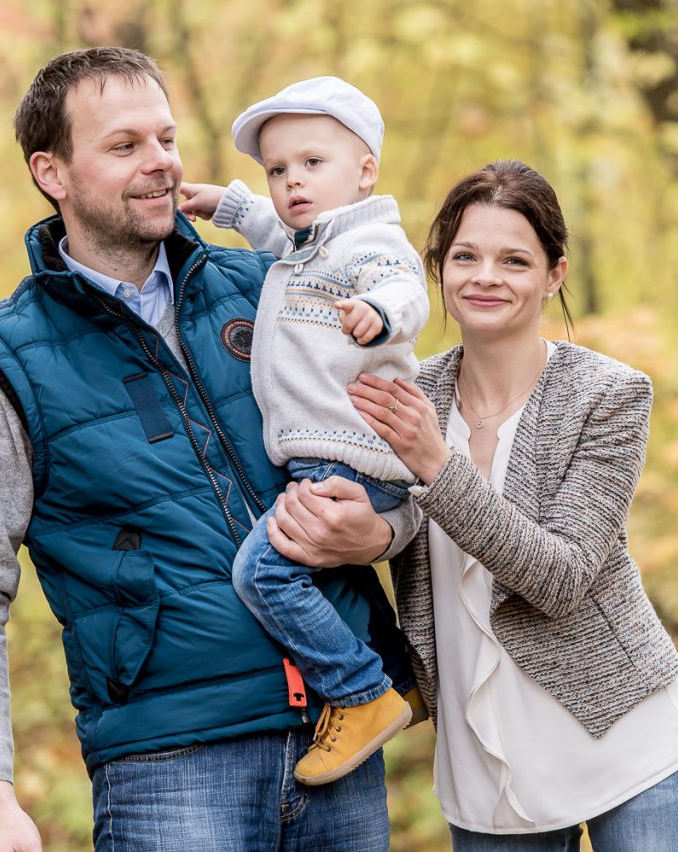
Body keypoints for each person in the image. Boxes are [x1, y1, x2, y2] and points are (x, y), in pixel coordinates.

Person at [0, 48, 418, 851]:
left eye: (166, 138)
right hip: (169, 769)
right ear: (53, 172)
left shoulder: (272, 284)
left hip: (343, 738)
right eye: (124, 146)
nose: (161, 164)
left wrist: (383, 533)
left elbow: (402, 445)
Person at [349, 160, 678, 851]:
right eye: (465, 257)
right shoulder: (406, 396)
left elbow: (561, 576)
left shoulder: (608, 396)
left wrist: (435, 462)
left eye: (514, 260)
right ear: (438, 271)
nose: (486, 276)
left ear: (554, 276)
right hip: (484, 762)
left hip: (623, 745)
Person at [177, 76, 428, 786]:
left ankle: (360, 694)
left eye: (312, 164)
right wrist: (229, 205)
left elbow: (404, 282)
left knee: (263, 572)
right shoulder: (309, 243)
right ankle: (404, 681)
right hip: (324, 458)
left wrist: (381, 311)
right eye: (278, 170)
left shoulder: (370, 241)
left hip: (349, 456)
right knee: (335, 571)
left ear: (365, 171)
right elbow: (275, 229)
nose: (292, 183)